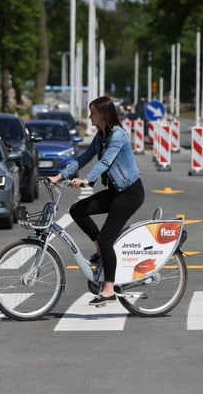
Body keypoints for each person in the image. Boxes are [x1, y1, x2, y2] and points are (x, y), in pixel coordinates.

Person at [48, 96, 144, 306]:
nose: (89, 116)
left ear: (103, 114)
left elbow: (105, 162)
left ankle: (108, 289)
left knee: (107, 238)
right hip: (115, 191)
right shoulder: (101, 136)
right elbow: (83, 158)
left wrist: (87, 180)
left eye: (92, 113)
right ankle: (101, 252)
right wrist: (59, 176)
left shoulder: (118, 136)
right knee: (78, 210)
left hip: (129, 193)